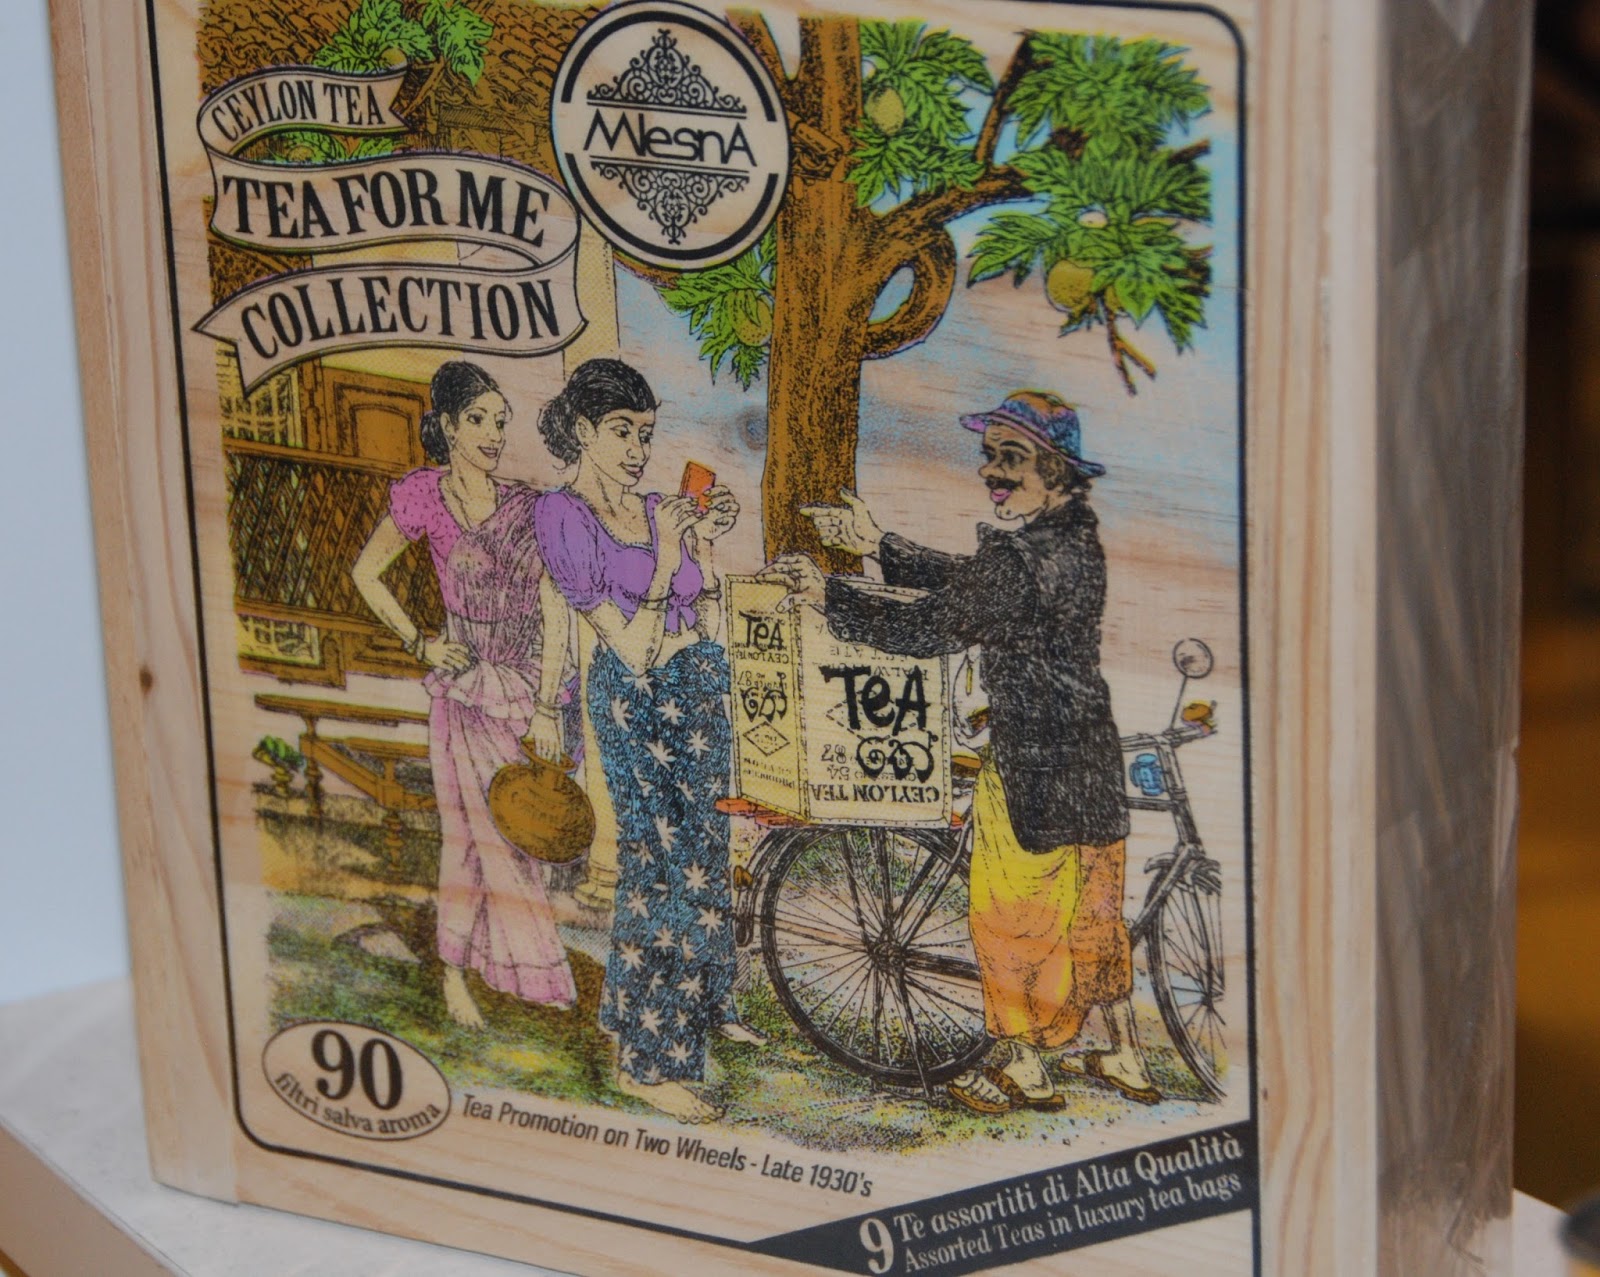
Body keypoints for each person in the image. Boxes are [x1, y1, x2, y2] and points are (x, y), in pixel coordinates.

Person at [765, 390, 1158, 1114]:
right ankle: (1124, 1054)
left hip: (1032, 763)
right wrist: (878, 544)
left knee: (1012, 914)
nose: (991, 471)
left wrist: (830, 598)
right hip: (1091, 762)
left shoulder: (1021, 559)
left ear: (1055, 470)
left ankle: (1026, 1067)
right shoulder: (1074, 540)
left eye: (1011, 458)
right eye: (989, 455)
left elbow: (938, 624)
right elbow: (976, 585)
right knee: (1094, 915)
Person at [532, 358, 761, 1125]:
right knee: (659, 871)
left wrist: (706, 545)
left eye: (647, 434)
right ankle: (649, 1060)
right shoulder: (562, 516)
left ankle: (695, 1004)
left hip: (696, 694)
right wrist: (666, 558)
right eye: (623, 432)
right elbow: (630, 650)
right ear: (583, 430)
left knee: (705, 857)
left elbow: (703, 612)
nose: (638, 450)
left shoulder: (657, 506)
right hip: (638, 703)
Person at [352, 361, 578, 1027]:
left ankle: (520, 971)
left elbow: (556, 606)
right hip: (464, 689)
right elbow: (366, 574)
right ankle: (456, 972)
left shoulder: (526, 508)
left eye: (500, 422)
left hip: (524, 688)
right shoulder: (424, 496)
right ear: (447, 426)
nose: (492, 434)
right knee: (467, 838)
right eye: (478, 420)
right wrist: (419, 643)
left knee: (520, 837)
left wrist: (547, 705)